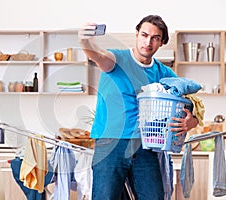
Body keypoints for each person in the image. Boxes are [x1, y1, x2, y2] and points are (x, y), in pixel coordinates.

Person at [78, 15, 199, 200]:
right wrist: (84, 40)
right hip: (111, 144)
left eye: (155, 38)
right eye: (144, 35)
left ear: (161, 42)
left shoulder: (163, 73)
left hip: (145, 146)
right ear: (137, 35)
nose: (148, 42)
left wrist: (192, 121)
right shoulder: (117, 59)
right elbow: (97, 54)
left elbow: (192, 101)